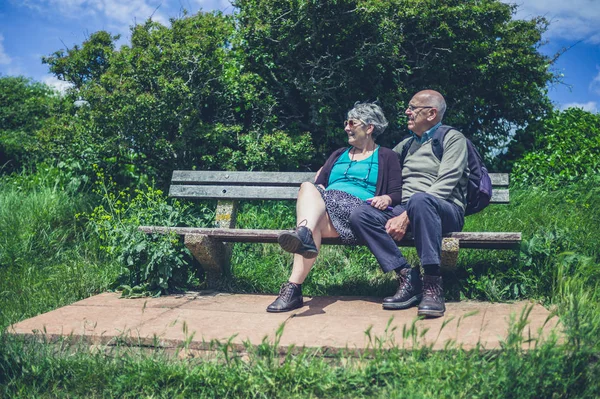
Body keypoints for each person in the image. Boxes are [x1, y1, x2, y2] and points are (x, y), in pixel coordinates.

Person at [266, 102, 403, 313]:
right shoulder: (339, 153)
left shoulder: (387, 156)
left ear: (369, 127)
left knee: (309, 200)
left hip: (359, 214)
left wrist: (386, 198)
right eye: (346, 123)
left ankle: (302, 236)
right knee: (310, 202)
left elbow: (396, 193)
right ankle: (293, 288)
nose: (346, 127)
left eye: (352, 123)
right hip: (329, 213)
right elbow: (319, 184)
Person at [349, 90, 468, 318]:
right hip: (407, 208)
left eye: (413, 108)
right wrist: (333, 169)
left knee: (420, 199)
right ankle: (407, 276)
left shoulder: (452, 139)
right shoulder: (405, 145)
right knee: (360, 215)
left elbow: (446, 183)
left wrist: (407, 215)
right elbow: (376, 165)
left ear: (431, 113)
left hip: (445, 209)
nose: (407, 112)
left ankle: (432, 285)